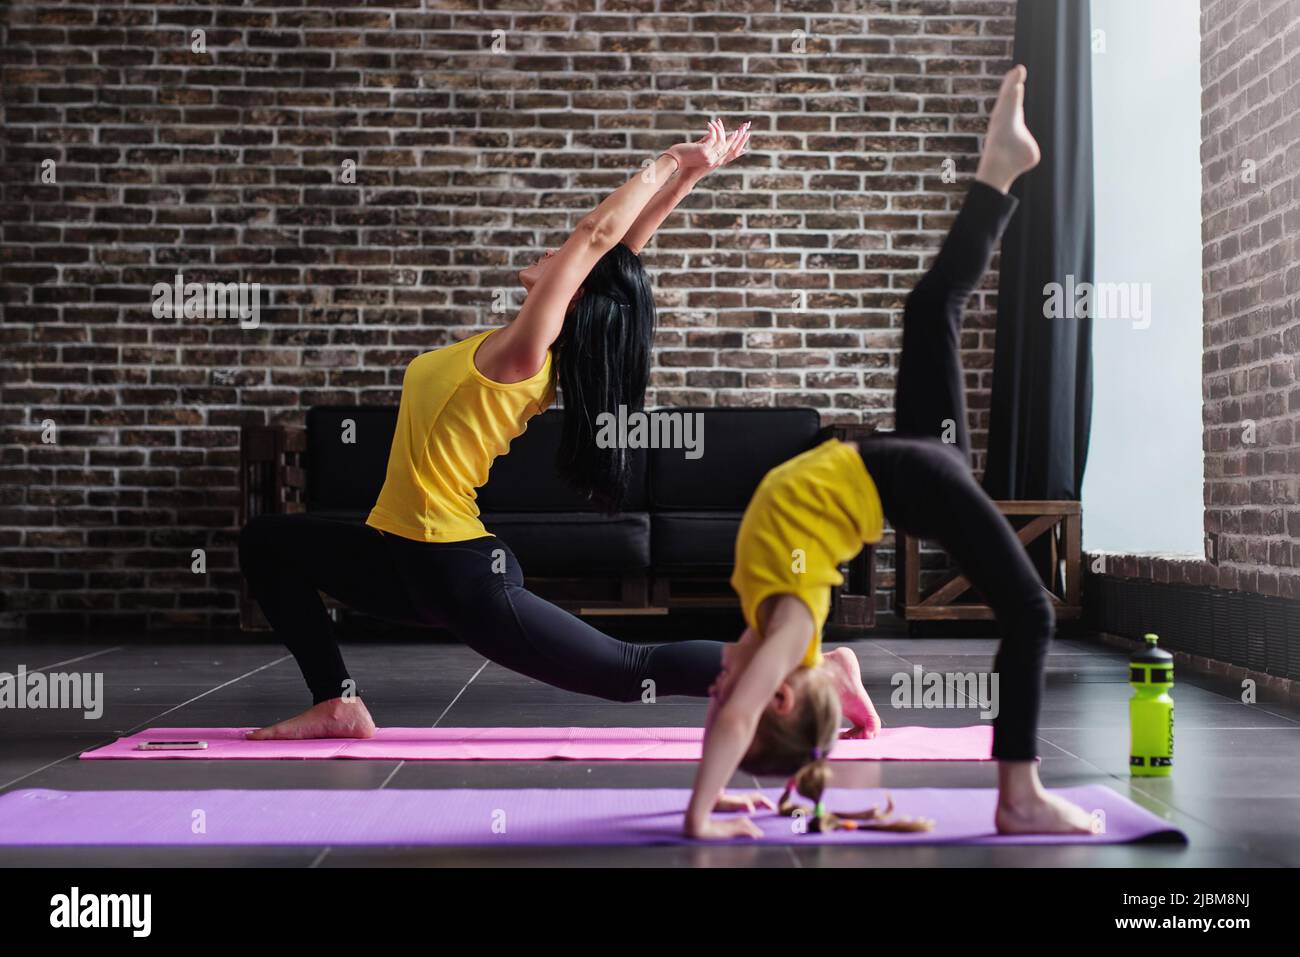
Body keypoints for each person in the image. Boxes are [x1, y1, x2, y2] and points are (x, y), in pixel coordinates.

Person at [239, 121, 754, 740]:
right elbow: (618, 252)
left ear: (574, 292)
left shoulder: (526, 353)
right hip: (399, 556)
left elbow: (597, 238)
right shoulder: (520, 345)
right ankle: (337, 704)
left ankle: (806, 674)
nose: (551, 253)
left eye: (563, 259)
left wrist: (671, 156)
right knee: (268, 542)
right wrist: (692, 177)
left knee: (628, 669)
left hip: (454, 570)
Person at [684, 66, 1095, 839]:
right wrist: (699, 813)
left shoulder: (774, 624)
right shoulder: (788, 625)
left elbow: (773, 701)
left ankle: (999, 169)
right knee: (1032, 611)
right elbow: (747, 710)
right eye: (721, 693)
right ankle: (1019, 794)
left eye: (711, 694)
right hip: (905, 474)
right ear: (775, 692)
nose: (714, 685)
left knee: (929, 306)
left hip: (899, 470)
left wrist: (761, 786)